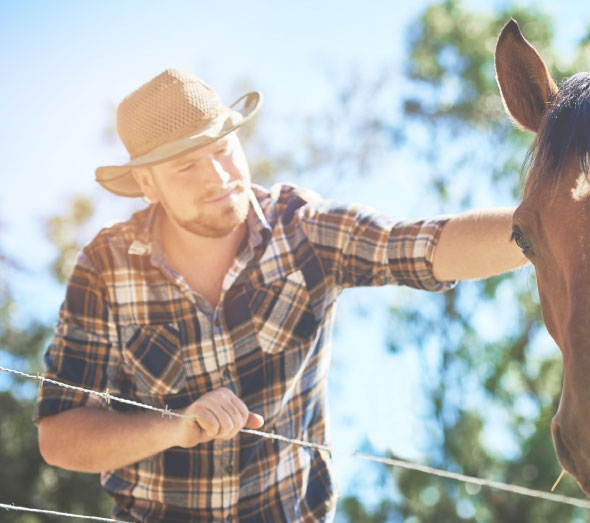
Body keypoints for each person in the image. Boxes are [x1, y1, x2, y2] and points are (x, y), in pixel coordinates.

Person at [34, 69, 526, 522]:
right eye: (186, 166)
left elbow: (424, 246)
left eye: (223, 149)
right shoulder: (105, 268)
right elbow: (59, 438)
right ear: (147, 183)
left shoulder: (303, 230)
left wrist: (554, 229)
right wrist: (174, 427)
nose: (218, 177)